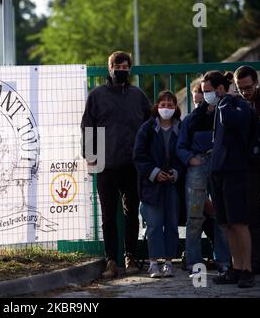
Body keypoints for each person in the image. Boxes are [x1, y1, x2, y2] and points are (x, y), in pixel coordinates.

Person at [81, 51, 151, 279]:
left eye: (125, 66)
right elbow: (88, 125)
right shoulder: (97, 95)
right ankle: (111, 260)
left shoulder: (137, 95)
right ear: (108, 68)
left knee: (132, 214)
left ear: (129, 69)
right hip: (105, 164)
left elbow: (148, 126)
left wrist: (145, 156)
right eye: (117, 65)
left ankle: (131, 257)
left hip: (132, 165)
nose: (121, 69)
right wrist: (90, 155)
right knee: (108, 215)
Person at [202, 71, 255, 288]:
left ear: (221, 89)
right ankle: (235, 267)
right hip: (218, 171)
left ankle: (247, 270)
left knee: (239, 223)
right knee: (226, 224)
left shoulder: (239, 105)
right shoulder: (220, 106)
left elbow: (231, 120)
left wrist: (228, 99)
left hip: (235, 171)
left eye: (208, 91)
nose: (206, 96)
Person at [177, 83, 231, 275]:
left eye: (205, 93)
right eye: (197, 97)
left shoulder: (224, 114)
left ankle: (224, 260)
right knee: (195, 217)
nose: (202, 99)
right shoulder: (190, 120)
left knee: (221, 216)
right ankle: (193, 261)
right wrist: (190, 159)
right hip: (198, 167)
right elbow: (181, 146)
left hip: (220, 166)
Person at [133, 91, 183, 278]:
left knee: (171, 224)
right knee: (153, 224)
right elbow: (139, 156)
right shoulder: (146, 128)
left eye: (170, 105)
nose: (166, 108)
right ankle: (153, 263)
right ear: (156, 107)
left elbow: (184, 152)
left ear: (176, 107)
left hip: (172, 185)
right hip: (151, 185)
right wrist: (154, 173)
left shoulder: (181, 127)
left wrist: (176, 172)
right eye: (163, 104)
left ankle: (169, 263)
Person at [234, 65, 260, 275]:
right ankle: (257, 260)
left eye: (248, 87)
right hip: (250, 168)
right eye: (241, 88)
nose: (245, 92)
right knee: (254, 215)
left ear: (256, 83)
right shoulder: (237, 105)